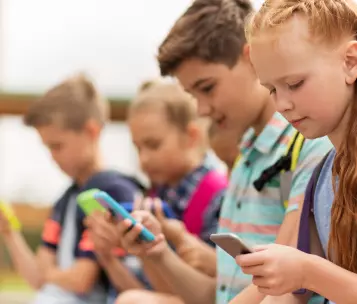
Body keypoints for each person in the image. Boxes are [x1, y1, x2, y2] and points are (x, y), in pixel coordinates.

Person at [115, 1, 332, 304]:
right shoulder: (245, 157)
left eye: (208, 88)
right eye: (193, 95)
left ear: (251, 59)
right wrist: (158, 253)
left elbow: (287, 292)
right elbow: (216, 295)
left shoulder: (308, 144)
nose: (202, 110)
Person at [231, 0, 357, 303]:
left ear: (351, 62)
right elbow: (288, 297)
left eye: (295, 83)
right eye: (272, 89)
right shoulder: (323, 177)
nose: (282, 104)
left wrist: (307, 272)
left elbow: (306, 275)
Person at [0, 74, 142, 304]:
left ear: (91, 131)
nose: (52, 157)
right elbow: (37, 278)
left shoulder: (111, 193)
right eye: (48, 148)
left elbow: (81, 280)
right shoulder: (64, 200)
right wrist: (9, 232)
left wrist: (49, 273)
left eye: (58, 146)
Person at [89, 80, 227, 302]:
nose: (143, 159)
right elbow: (140, 289)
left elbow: (203, 293)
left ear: (191, 136)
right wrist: (108, 257)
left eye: (153, 145)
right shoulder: (153, 196)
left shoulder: (216, 197)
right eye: (138, 148)